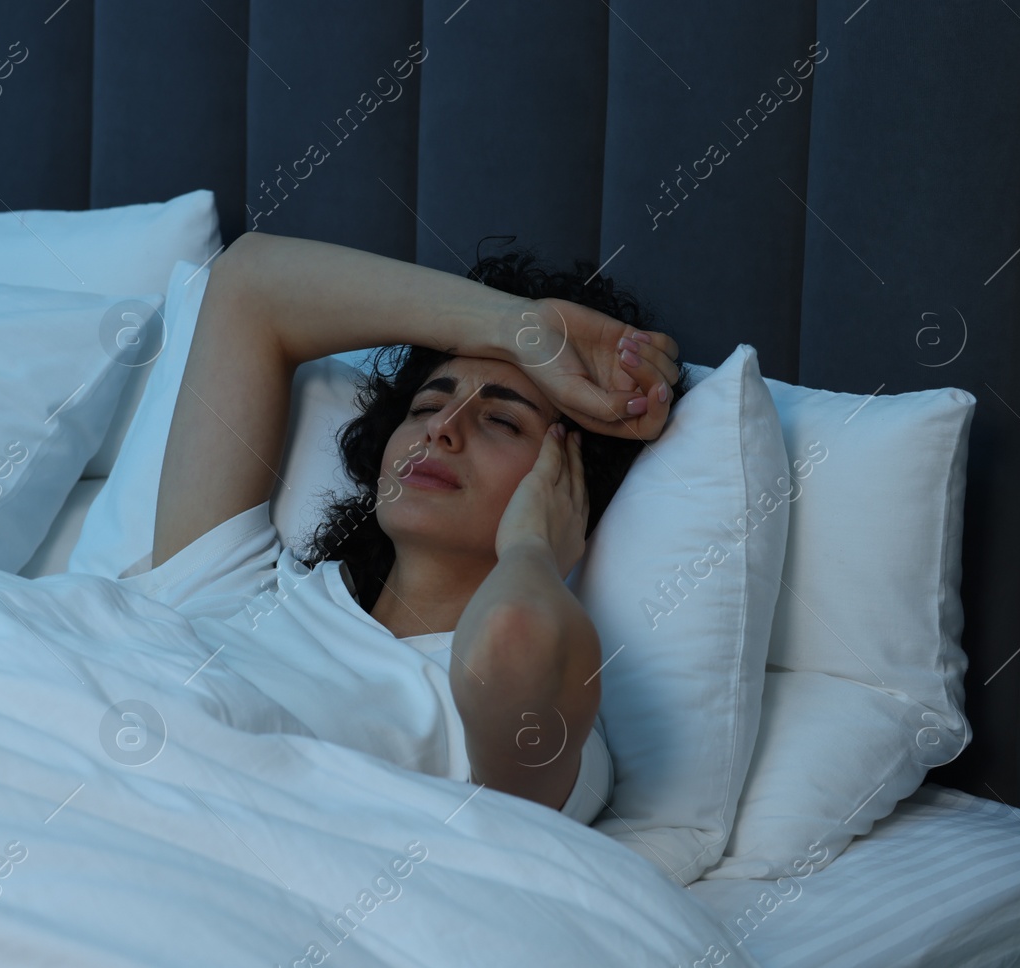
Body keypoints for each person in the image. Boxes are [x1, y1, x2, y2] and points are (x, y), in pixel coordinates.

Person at [117, 231, 684, 826]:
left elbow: (517, 637)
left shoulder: (525, 715)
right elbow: (248, 282)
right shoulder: (235, 584)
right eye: (423, 407)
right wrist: (518, 326)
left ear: (568, 486)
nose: (441, 428)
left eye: (501, 421)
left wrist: (534, 546)